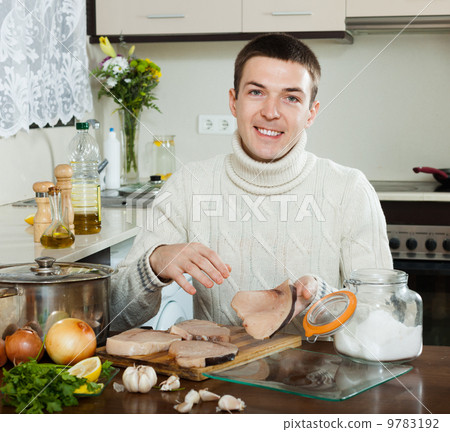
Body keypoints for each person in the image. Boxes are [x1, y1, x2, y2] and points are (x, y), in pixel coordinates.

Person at [110, 33, 392, 333]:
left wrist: (321, 300)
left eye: (291, 98)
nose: (270, 112)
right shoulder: (188, 185)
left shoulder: (349, 190)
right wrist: (153, 264)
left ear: (311, 113)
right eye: (257, 92)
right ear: (234, 102)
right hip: (217, 376)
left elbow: (383, 319)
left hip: (323, 376)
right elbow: (115, 315)